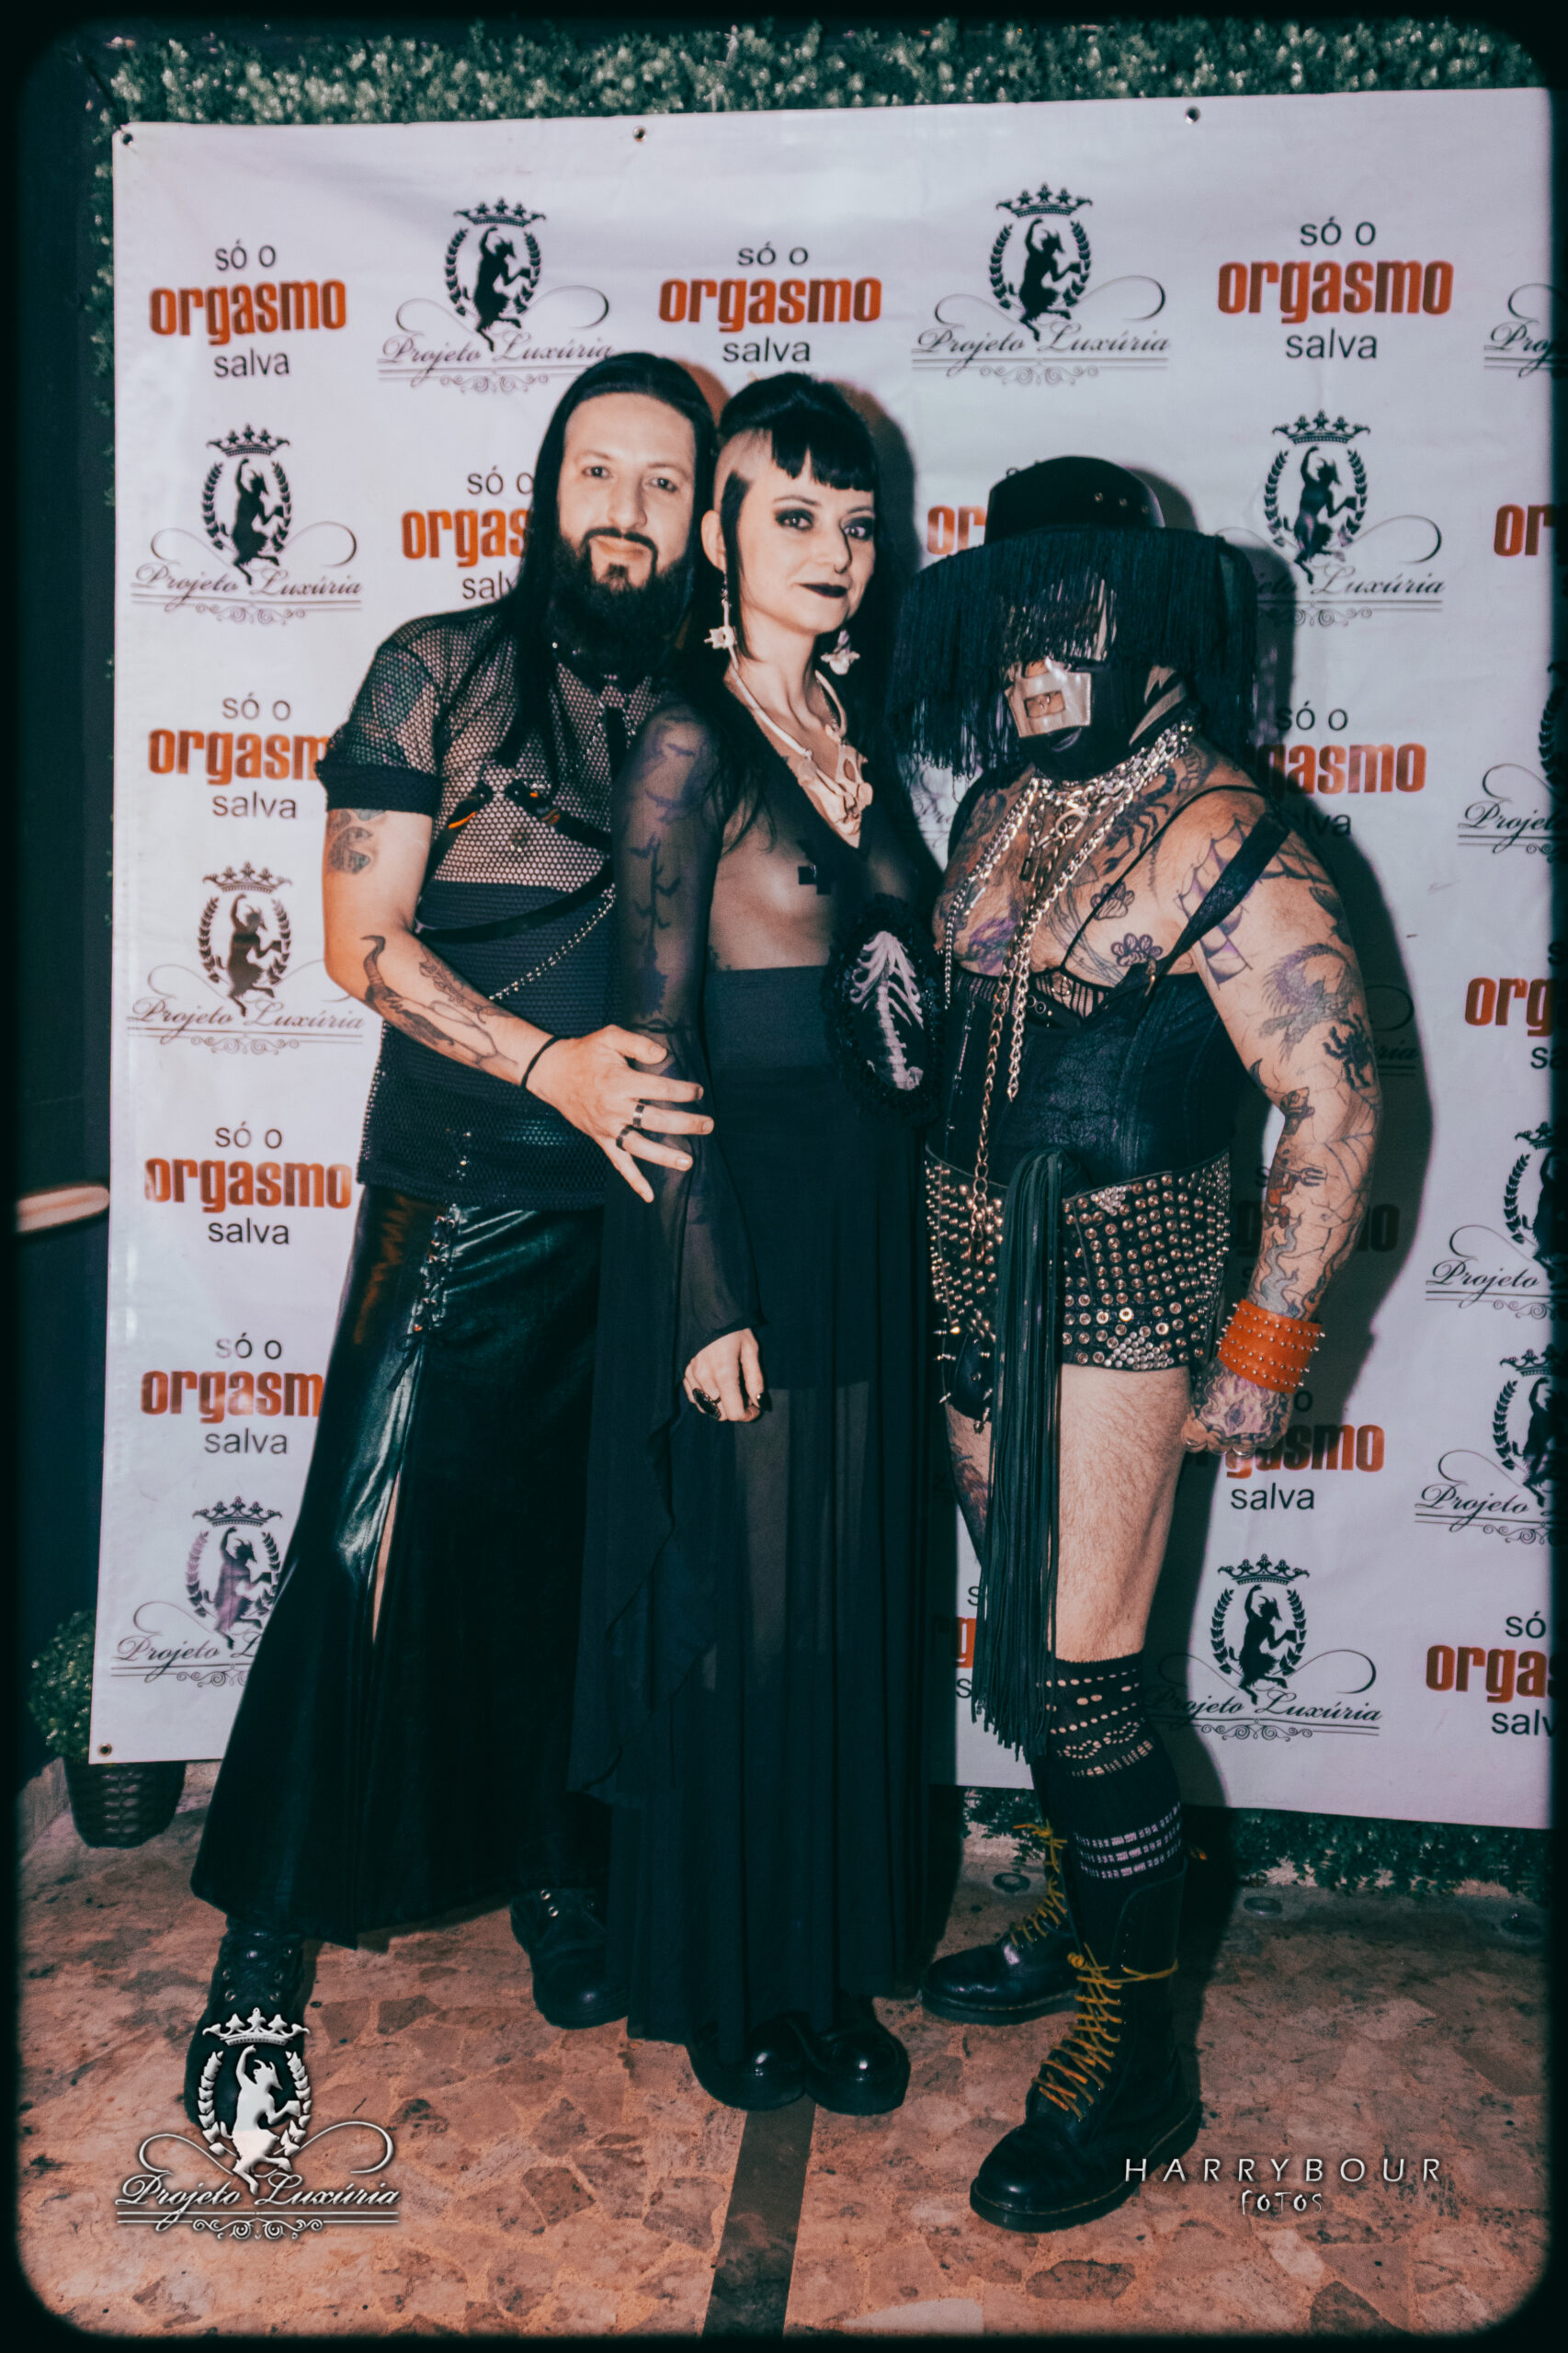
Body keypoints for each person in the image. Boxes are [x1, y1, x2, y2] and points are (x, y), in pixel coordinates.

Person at [183, 355, 719, 2125]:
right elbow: (362, 943)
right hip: (467, 1185)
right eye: (598, 472)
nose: (625, 511)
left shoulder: (718, 701)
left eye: (663, 481)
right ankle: (267, 1937)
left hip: (654, 1213)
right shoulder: (442, 670)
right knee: (366, 1556)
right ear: (549, 489)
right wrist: (550, 1068)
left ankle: (554, 1872)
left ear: (700, 515)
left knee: (587, 1566)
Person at [890, 457, 1381, 2231]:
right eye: (1018, 620)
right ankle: (1089, 1913)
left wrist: (1264, 1343)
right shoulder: (995, 806)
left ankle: (1143, 2053)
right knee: (1034, 1652)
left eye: (1074, 620)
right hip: (960, 1271)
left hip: (1117, 1283)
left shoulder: (1228, 834)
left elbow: (1332, 1099)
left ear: (1154, 629)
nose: (1039, 657)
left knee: (1088, 1675)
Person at [568, 375, 937, 2117]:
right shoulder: (685, 737)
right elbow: (649, 1051)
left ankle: (829, 1961)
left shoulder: (858, 732)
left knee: (849, 1602)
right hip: (738, 1223)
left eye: (853, 520)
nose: (832, 549)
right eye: (790, 515)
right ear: (716, 537)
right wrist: (703, 1292)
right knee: (753, 1607)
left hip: (868, 1219)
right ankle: (738, 1979)